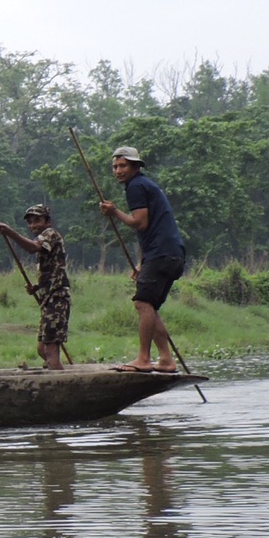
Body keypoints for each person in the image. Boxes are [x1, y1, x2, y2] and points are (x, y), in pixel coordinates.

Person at [99, 145, 186, 371]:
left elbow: (140, 223)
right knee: (150, 306)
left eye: (123, 166)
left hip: (163, 253)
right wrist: (142, 262)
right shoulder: (144, 185)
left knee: (142, 303)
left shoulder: (136, 186)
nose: (118, 170)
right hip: (170, 254)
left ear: (135, 166)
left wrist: (114, 212)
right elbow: (151, 231)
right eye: (115, 166)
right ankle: (166, 360)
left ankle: (144, 360)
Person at [0, 203, 70, 369]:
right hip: (48, 299)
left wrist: (10, 232)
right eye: (30, 222)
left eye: (37, 220)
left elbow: (32, 248)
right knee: (42, 349)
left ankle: (58, 381)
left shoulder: (50, 234)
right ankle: (57, 372)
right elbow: (52, 269)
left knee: (50, 350)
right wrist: (37, 286)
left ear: (47, 221)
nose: (33, 225)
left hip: (57, 298)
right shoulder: (43, 237)